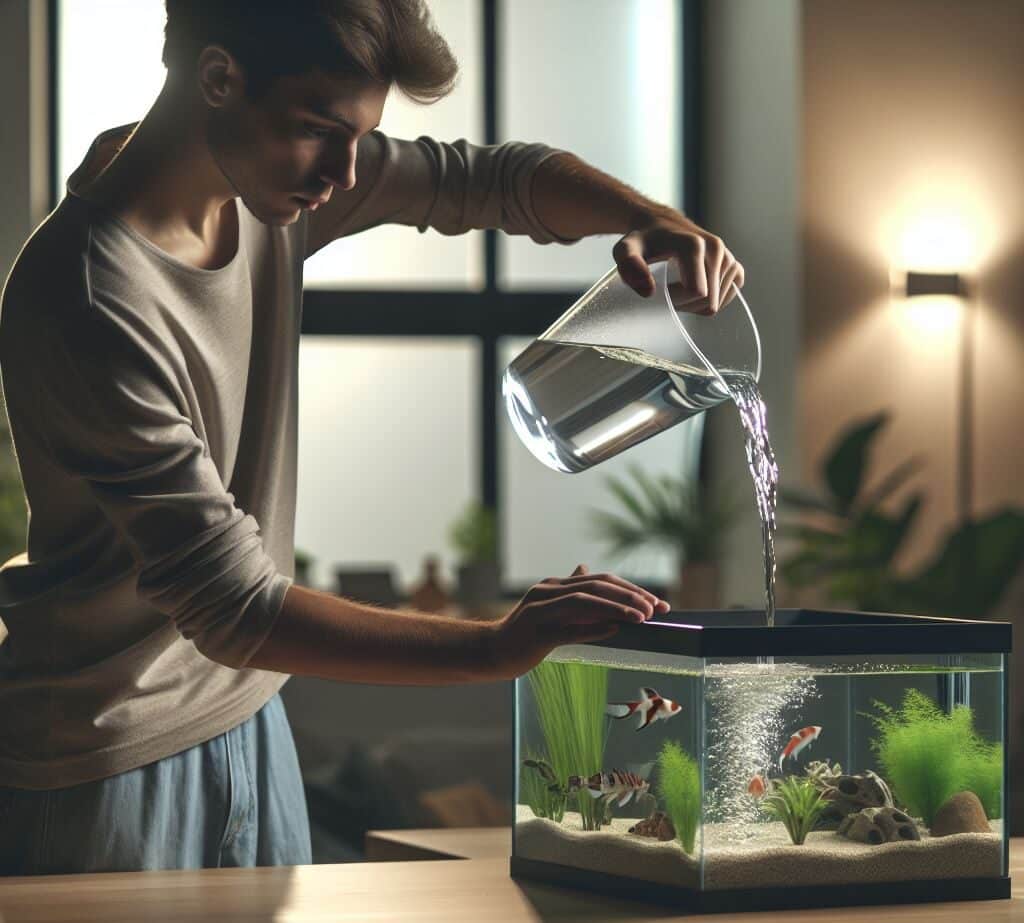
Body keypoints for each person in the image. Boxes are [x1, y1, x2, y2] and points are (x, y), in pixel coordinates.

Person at [0, 0, 744, 875]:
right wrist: (495, 647)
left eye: (360, 136)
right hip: (103, 759)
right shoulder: (87, 297)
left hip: (250, 720)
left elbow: (491, 179)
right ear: (217, 78)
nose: (344, 172)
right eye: (320, 131)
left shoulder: (263, 189)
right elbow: (229, 603)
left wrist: (647, 215)